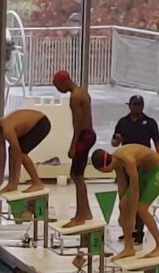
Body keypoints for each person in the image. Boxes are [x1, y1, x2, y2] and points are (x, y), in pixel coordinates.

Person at [91, 145, 159, 259]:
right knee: (124, 205)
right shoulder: (116, 160)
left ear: (103, 167)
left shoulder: (128, 160)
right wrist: (122, 209)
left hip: (158, 171)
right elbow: (122, 185)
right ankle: (129, 248)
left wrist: (132, 215)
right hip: (145, 172)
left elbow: (135, 189)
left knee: (141, 209)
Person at [112, 95, 159, 244]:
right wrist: (117, 139)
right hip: (126, 167)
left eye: (140, 104)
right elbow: (114, 143)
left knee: (139, 200)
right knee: (125, 200)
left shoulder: (150, 123)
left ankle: (139, 232)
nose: (137, 107)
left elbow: (158, 144)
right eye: (135, 104)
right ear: (129, 105)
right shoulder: (122, 123)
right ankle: (128, 231)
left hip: (143, 168)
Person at [53, 70, 96, 227]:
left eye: (58, 87)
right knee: (78, 175)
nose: (59, 90)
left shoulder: (75, 97)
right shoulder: (82, 91)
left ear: (65, 82)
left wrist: (73, 145)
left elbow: (78, 124)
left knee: (77, 175)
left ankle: (80, 216)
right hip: (89, 134)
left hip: (84, 136)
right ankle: (86, 212)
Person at [0, 109, 50, 194]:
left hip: (41, 123)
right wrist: (0, 177)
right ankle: (12, 185)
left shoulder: (7, 129)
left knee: (22, 154)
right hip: (35, 123)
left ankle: (37, 183)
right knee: (12, 151)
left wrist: (16, 176)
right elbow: (2, 155)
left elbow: (17, 152)